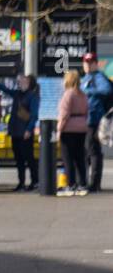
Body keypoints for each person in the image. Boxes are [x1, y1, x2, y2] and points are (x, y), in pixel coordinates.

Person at [0, 74, 39, 191]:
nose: (20, 83)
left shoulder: (32, 96)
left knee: (29, 158)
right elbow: (4, 89)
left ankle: (35, 181)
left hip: (25, 133)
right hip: (15, 131)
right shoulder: (17, 94)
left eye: (24, 81)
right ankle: (21, 182)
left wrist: (29, 129)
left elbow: (34, 115)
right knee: (19, 159)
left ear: (29, 84)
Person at [80, 52, 112, 193]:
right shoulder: (86, 77)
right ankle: (88, 182)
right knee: (88, 151)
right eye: (86, 62)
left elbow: (106, 90)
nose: (88, 65)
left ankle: (94, 183)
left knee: (93, 151)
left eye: (90, 62)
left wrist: (89, 91)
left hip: (94, 119)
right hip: (86, 119)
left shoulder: (98, 76)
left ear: (96, 64)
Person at [57, 69, 90, 196]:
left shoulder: (68, 94)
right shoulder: (83, 94)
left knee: (68, 159)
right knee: (80, 157)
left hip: (69, 128)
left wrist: (59, 129)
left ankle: (71, 185)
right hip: (82, 127)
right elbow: (87, 111)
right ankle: (82, 184)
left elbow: (64, 114)